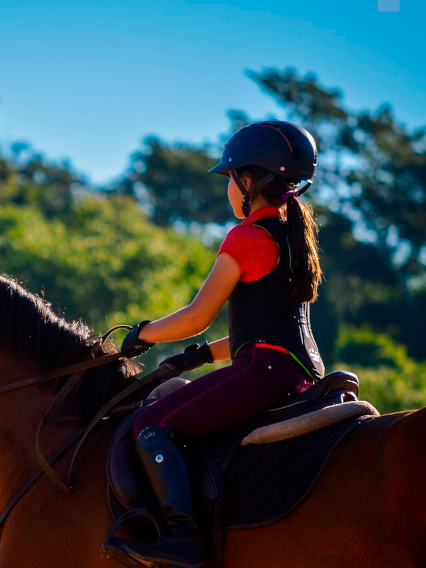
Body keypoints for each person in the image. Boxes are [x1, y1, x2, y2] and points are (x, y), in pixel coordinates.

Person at [104, 120, 325, 568]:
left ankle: (185, 541)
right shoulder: (295, 237)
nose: (228, 189)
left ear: (249, 180)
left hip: (264, 373)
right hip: (301, 372)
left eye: (229, 178)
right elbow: (267, 331)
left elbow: (195, 317)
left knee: (151, 426)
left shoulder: (246, 236)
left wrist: (140, 334)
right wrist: (203, 355)